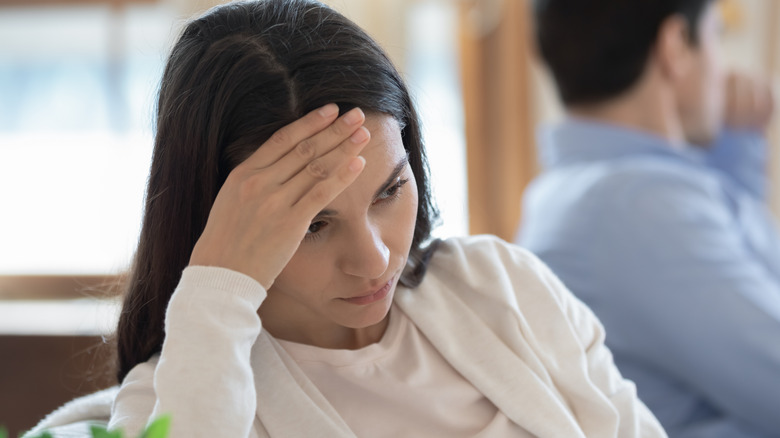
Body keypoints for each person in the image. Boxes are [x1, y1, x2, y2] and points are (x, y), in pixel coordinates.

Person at [26, 0, 665, 437]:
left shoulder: (501, 287)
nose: (375, 259)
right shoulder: (185, 394)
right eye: (312, 224)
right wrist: (215, 290)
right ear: (222, 224)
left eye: (389, 191)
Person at [516, 1, 780, 437]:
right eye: (716, 35)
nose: (723, 67)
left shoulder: (576, 190)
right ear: (675, 46)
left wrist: (735, 151)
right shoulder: (637, 207)